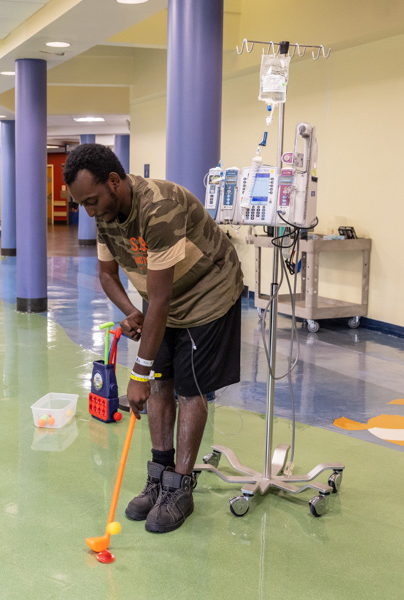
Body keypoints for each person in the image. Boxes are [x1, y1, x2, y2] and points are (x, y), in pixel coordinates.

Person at [64, 144, 244, 534]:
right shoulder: (104, 213)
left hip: (207, 294)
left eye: (92, 201)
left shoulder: (159, 208)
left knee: (187, 388)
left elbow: (161, 300)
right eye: (83, 205)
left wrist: (138, 373)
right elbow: (109, 276)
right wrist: (131, 313)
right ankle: (159, 476)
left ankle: (180, 487)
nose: (90, 211)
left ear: (114, 182)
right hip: (163, 297)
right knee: (161, 382)